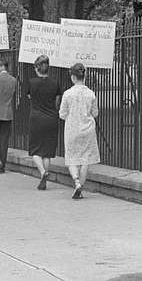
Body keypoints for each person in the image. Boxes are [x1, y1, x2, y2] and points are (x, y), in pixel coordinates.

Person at [58, 63, 100, 200]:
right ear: (84, 76)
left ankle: (76, 182)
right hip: (87, 130)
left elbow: (62, 114)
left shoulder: (68, 94)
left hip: (72, 129)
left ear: (73, 77)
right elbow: (95, 113)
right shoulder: (91, 94)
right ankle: (80, 187)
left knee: (72, 158)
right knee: (85, 159)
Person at [27, 55, 62, 190]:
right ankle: (44, 180)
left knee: (35, 150)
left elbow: (30, 97)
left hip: (36, 118)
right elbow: (57, 101)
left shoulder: (31, 82)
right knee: (47, 151)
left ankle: (43, 172)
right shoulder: (55, 83)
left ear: (37, 68)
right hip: (51, 118)